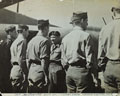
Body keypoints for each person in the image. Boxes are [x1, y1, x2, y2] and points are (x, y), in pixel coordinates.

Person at [61, 11, 95, 93]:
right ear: (82, 21)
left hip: (69, 72)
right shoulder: (86, 36)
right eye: (86, 21)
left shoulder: (65, 38)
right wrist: (94, 76)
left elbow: (63, 59)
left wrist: (69, 70)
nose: (87, 24)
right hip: (82, 71)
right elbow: (90, 60)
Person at [98, 4, 120, 93]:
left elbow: (101, 53)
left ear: (113, 13)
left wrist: (103, 66)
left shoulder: (105, 28)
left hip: (109, 67)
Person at [26, 20, 50, 93]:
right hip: (40, 71)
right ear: (46, 28)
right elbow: (44, 60)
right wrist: (46, 76)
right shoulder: (44, 41)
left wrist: (28, 72)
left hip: (31, 71)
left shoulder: (31, 41)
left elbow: (27, 59)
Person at [10, 24, 29, 92]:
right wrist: (25, 73)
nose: (28, 33)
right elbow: (20, 58)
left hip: (14, 70)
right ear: (24, 30)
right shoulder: (23, 40)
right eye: (28, 31)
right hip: (20, 70)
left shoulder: (14, 42)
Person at [0, 26, 17, 92]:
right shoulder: (9, 43)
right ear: (10, 33)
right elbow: (6, 58)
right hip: (6, 71)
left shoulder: (4, 42)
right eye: (14, 32)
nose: (16, 33)